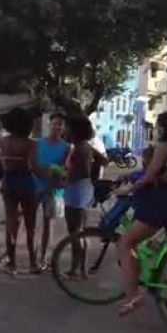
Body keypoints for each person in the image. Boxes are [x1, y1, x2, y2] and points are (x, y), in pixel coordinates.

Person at [118, 111, 167, 316]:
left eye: (159, 125)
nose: (156, 129)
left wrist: (128, 189)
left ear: (165, 128)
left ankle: (132, 295)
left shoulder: (165, 147)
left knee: (126, 242)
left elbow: (148, 175)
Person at [0, 108, 40, 275]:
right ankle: (33, 263)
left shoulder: (4, 142)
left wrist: (1, 159)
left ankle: (12, 263)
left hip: (9, 182)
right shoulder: (31, 143)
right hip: (26, 182)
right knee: (30, 225)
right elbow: (33, 166)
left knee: (11, 224)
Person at [61, 115, 107, 279]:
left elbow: (78, 172)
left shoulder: (80, 149)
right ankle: (81, 268)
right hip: (83, 189)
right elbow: (103, 160)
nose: (63, 130)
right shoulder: (85, 146)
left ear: (74, 131)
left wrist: (62, 175)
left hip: (76, 190)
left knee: (75, 231)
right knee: (79, 230)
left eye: (66, 127)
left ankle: (77, 268)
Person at [34, 113, 69, 269]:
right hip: (35, 185)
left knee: (49, 223)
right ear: (49, 124)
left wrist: (51, 183)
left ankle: (43, 257)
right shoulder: (38, 143)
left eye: (60, 124)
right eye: (54, 123)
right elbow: (32, 163)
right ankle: (32, 255)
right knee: (30, 223)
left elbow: (64, 170)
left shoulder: (66, 147)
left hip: (53, 189)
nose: (57, 127)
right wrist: (39, 173)